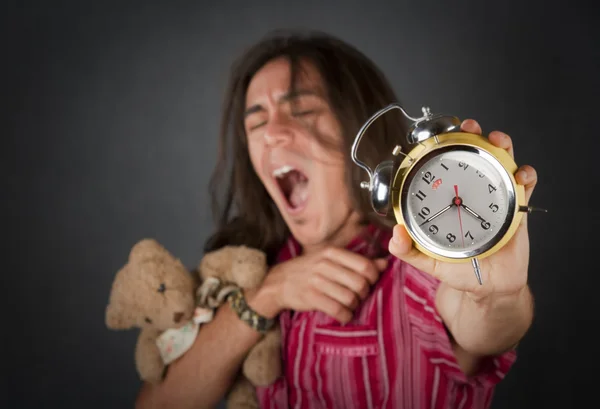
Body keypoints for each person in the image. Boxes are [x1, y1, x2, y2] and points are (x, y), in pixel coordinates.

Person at [135, 29, 537, 409]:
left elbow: (483, 328)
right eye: (256, 121)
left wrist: (497, 297)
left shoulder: (417, 261)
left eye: (303, 110)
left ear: (356, 129)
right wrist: (267, 295)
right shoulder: (251, 274)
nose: (271, 133)